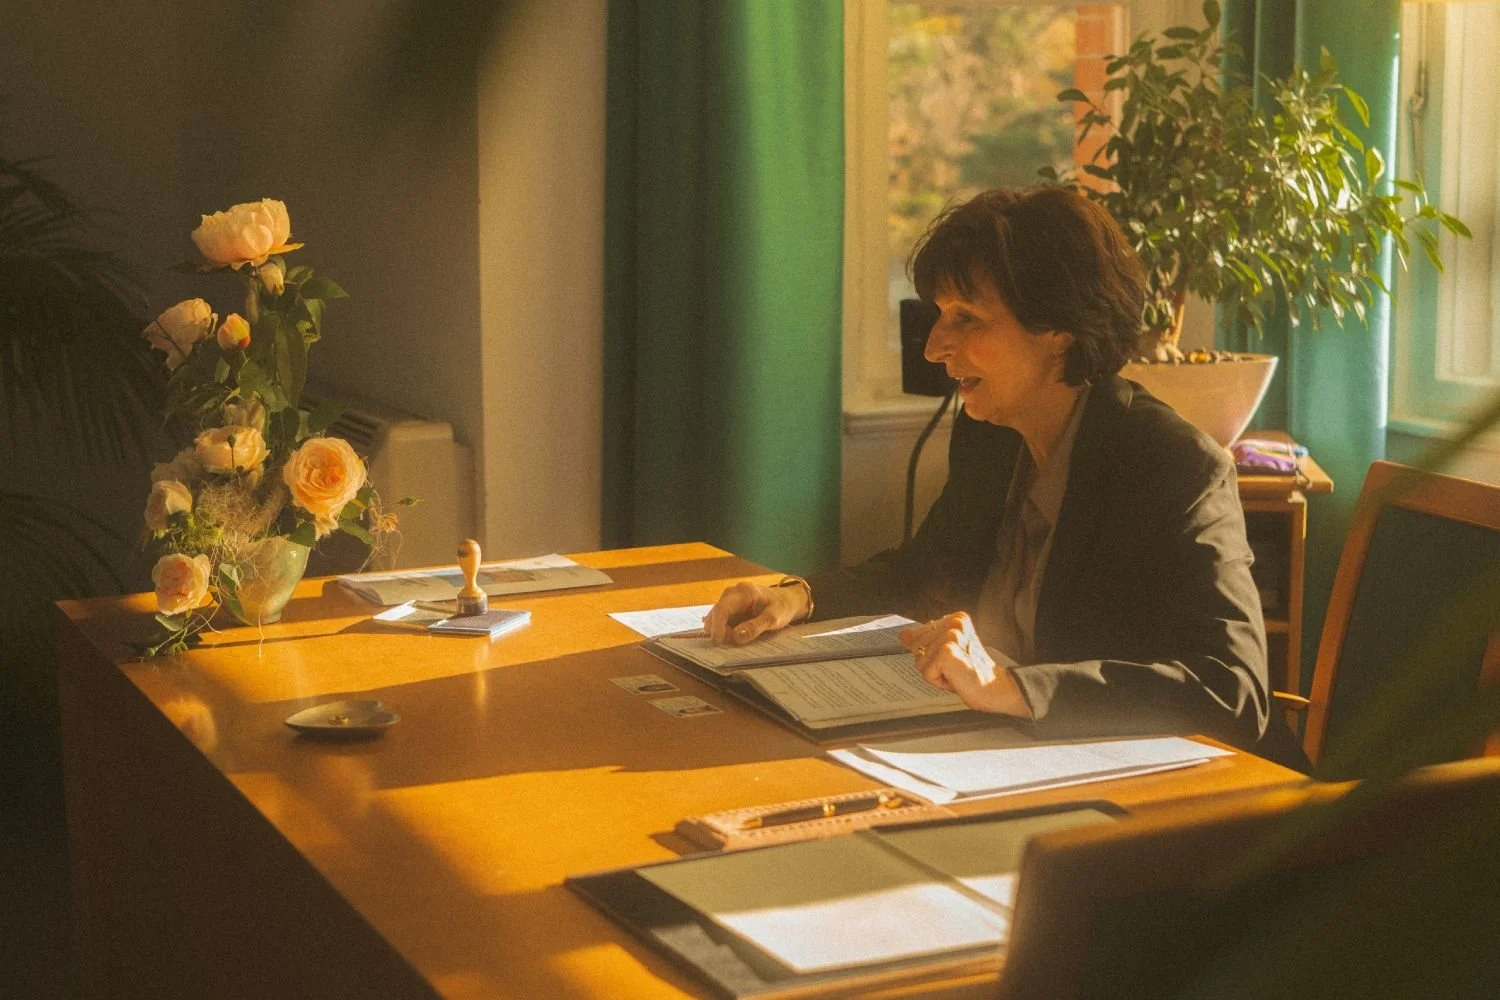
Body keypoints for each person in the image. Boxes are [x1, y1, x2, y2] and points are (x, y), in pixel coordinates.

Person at [705, 185, 1288, 758]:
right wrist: (797, 597)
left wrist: (1010, 688)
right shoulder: (989, 434)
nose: (934, 346)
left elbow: (1233, 691)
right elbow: (925, 567)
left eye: (967, 318)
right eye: (940, 316)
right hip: (1011, 753)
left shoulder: (1174, 465)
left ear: (1059, 330)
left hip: (1169, 791)